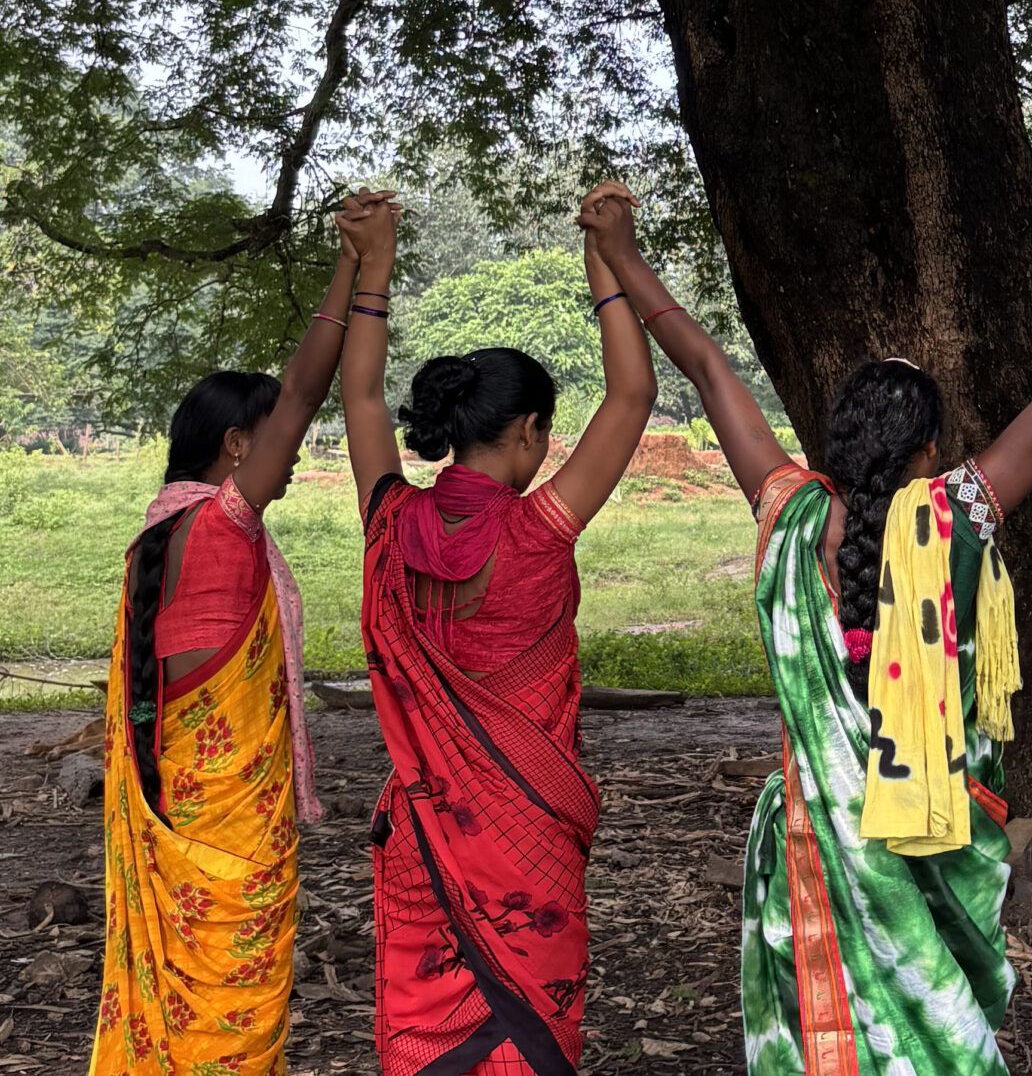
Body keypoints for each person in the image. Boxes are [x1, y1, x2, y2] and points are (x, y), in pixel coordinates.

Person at [585, 152, 1032, 1076]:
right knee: (938, 1041)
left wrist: (620, 251)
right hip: (934, 832)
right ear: (932, 447)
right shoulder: (960, 514)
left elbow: (706, 368)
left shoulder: (788, 515)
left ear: (837, 442)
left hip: (812, 845)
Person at [339, 184, 655, 1076]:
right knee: (527, 1044)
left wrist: (374, 266)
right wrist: (607, 261)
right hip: (526, 856)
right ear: (528, 431)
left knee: (421, 1041)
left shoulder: (389, 521)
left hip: (422, 846)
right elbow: (633, 394)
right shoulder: (536, 532)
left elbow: (360, 395)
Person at [90, 191, 387, 1076]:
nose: (291, 457)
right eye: (274, 445)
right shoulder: (220, 524)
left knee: (186, 1005)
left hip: (176, 810)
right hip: (227, 830)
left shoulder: (156, 531)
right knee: (231, 1014)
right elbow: (302, 391)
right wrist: (362, 264)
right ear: (233, 447)